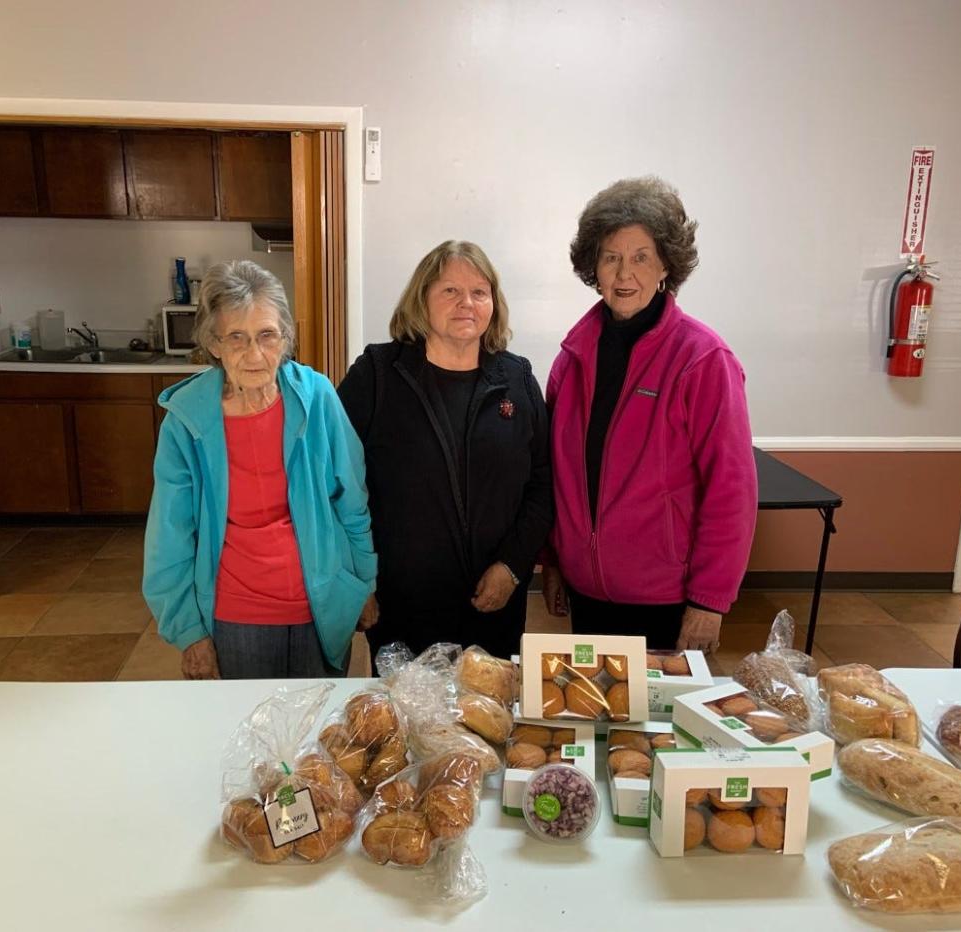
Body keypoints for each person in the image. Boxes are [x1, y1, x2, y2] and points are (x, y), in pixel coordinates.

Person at [542, 177, 757, 653]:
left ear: (666, 265)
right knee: (595, 720)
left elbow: (731, 487)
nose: (624, 273)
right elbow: (557, 476)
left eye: (641, 256)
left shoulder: (703, 359)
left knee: (655, 728)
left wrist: (710, 600)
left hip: (666, 599)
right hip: (586, 590)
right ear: (593, 267)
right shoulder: (572, 358)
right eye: (611, 257)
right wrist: (554, 560)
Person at [143, 259, 376, 679]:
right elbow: (169, 536)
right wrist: (189, 631)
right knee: (248, 735)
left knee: (319, 737)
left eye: (267, 335)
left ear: (285, 337)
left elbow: (352, 500)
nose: (255, 354)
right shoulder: (186, 420)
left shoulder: (317, 397)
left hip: (320, 605)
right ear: (213, 343)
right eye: (237, 337)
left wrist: (363, 583)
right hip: (236, 614)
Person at [338, 241, 553, 660]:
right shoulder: (377, 376)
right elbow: (337, 486)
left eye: (479, 291)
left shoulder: (518, 379)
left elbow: (543, 486)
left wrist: (512, 567)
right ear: (422, 299)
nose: (466, 303)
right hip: (402, 605)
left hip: (494, 601)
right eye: (449, 291)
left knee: (488, 719)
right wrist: (357, 581)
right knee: (406, 721)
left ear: (493, 301)